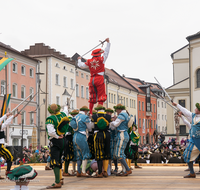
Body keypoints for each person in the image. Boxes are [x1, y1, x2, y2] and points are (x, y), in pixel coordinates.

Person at [77, 38, 111, 115]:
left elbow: (81, 65)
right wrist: (108, 43)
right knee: (101, 96)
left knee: (92, 96)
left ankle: (91, 112)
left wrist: (79, 59)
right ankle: (100, 112)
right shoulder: (101, 59)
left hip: (92, 79)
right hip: (99, 79)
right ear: (99, 54)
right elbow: (107, 53)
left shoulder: (89, 61)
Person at [172, 102, 200, 178]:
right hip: (194, 141)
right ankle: (192, 173)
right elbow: (185, 111)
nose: (195, 109)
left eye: (197, 108)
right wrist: (177, 105)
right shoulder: (193, 116)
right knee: (187, 155)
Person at [45, 104, 69, 189]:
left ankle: (57, 182)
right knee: (59, 159)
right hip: (63, 140)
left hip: (56, 140)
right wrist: (66, 106)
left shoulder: (51, 119)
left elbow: (51, 132)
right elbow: (66, 111)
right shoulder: (63, 114)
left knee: (55, 161)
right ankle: (61, 179)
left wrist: (57, 136)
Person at [70, 106, 93, 177]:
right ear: (86, 111)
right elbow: (89, 127)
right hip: (81, 136)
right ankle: (83, 171)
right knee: (86, 153)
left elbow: (71, 125)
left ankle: (78, 171)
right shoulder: (84, 117)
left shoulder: (75, 117)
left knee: (78, 155)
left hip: (75, 136)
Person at [110, 104, 132, 176]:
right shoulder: (125, 114)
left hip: (122, 134)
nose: (116, 112)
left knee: (119, 154)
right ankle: (124, 170)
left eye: (116, 110)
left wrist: (110, 122)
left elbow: (116, 124)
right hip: (123, 134)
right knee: (121, 153)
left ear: (119, 109)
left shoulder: (122, 114)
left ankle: (127, 170)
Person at [91, 104, 112, 178]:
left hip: (98, 135)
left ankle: (100, 172)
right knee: (106, 153)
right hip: (107, 135)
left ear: (97, 110)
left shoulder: (94, 117)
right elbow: (111, 126)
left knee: (99, 153)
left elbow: (91, 127)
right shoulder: (109, 117)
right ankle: (105, 171)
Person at [0, 112, 18, 177]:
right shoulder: (0, 126)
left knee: (9, 157)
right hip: (0, 146)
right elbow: (4, 122)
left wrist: (12, 116)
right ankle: (8, 171)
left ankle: (7, 171)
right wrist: (5, 115)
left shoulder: (1, 127)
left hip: (1, 145)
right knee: (10, 157)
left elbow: (6, 123)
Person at [105, 108, 118, 174]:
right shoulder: (107, 120)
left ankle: (116, 167)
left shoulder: (113, 122)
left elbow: (113, 127)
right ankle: (109, 169)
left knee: (114, 154)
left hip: (113, 139)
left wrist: (113, 121)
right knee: (109, 154)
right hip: (109, 139)